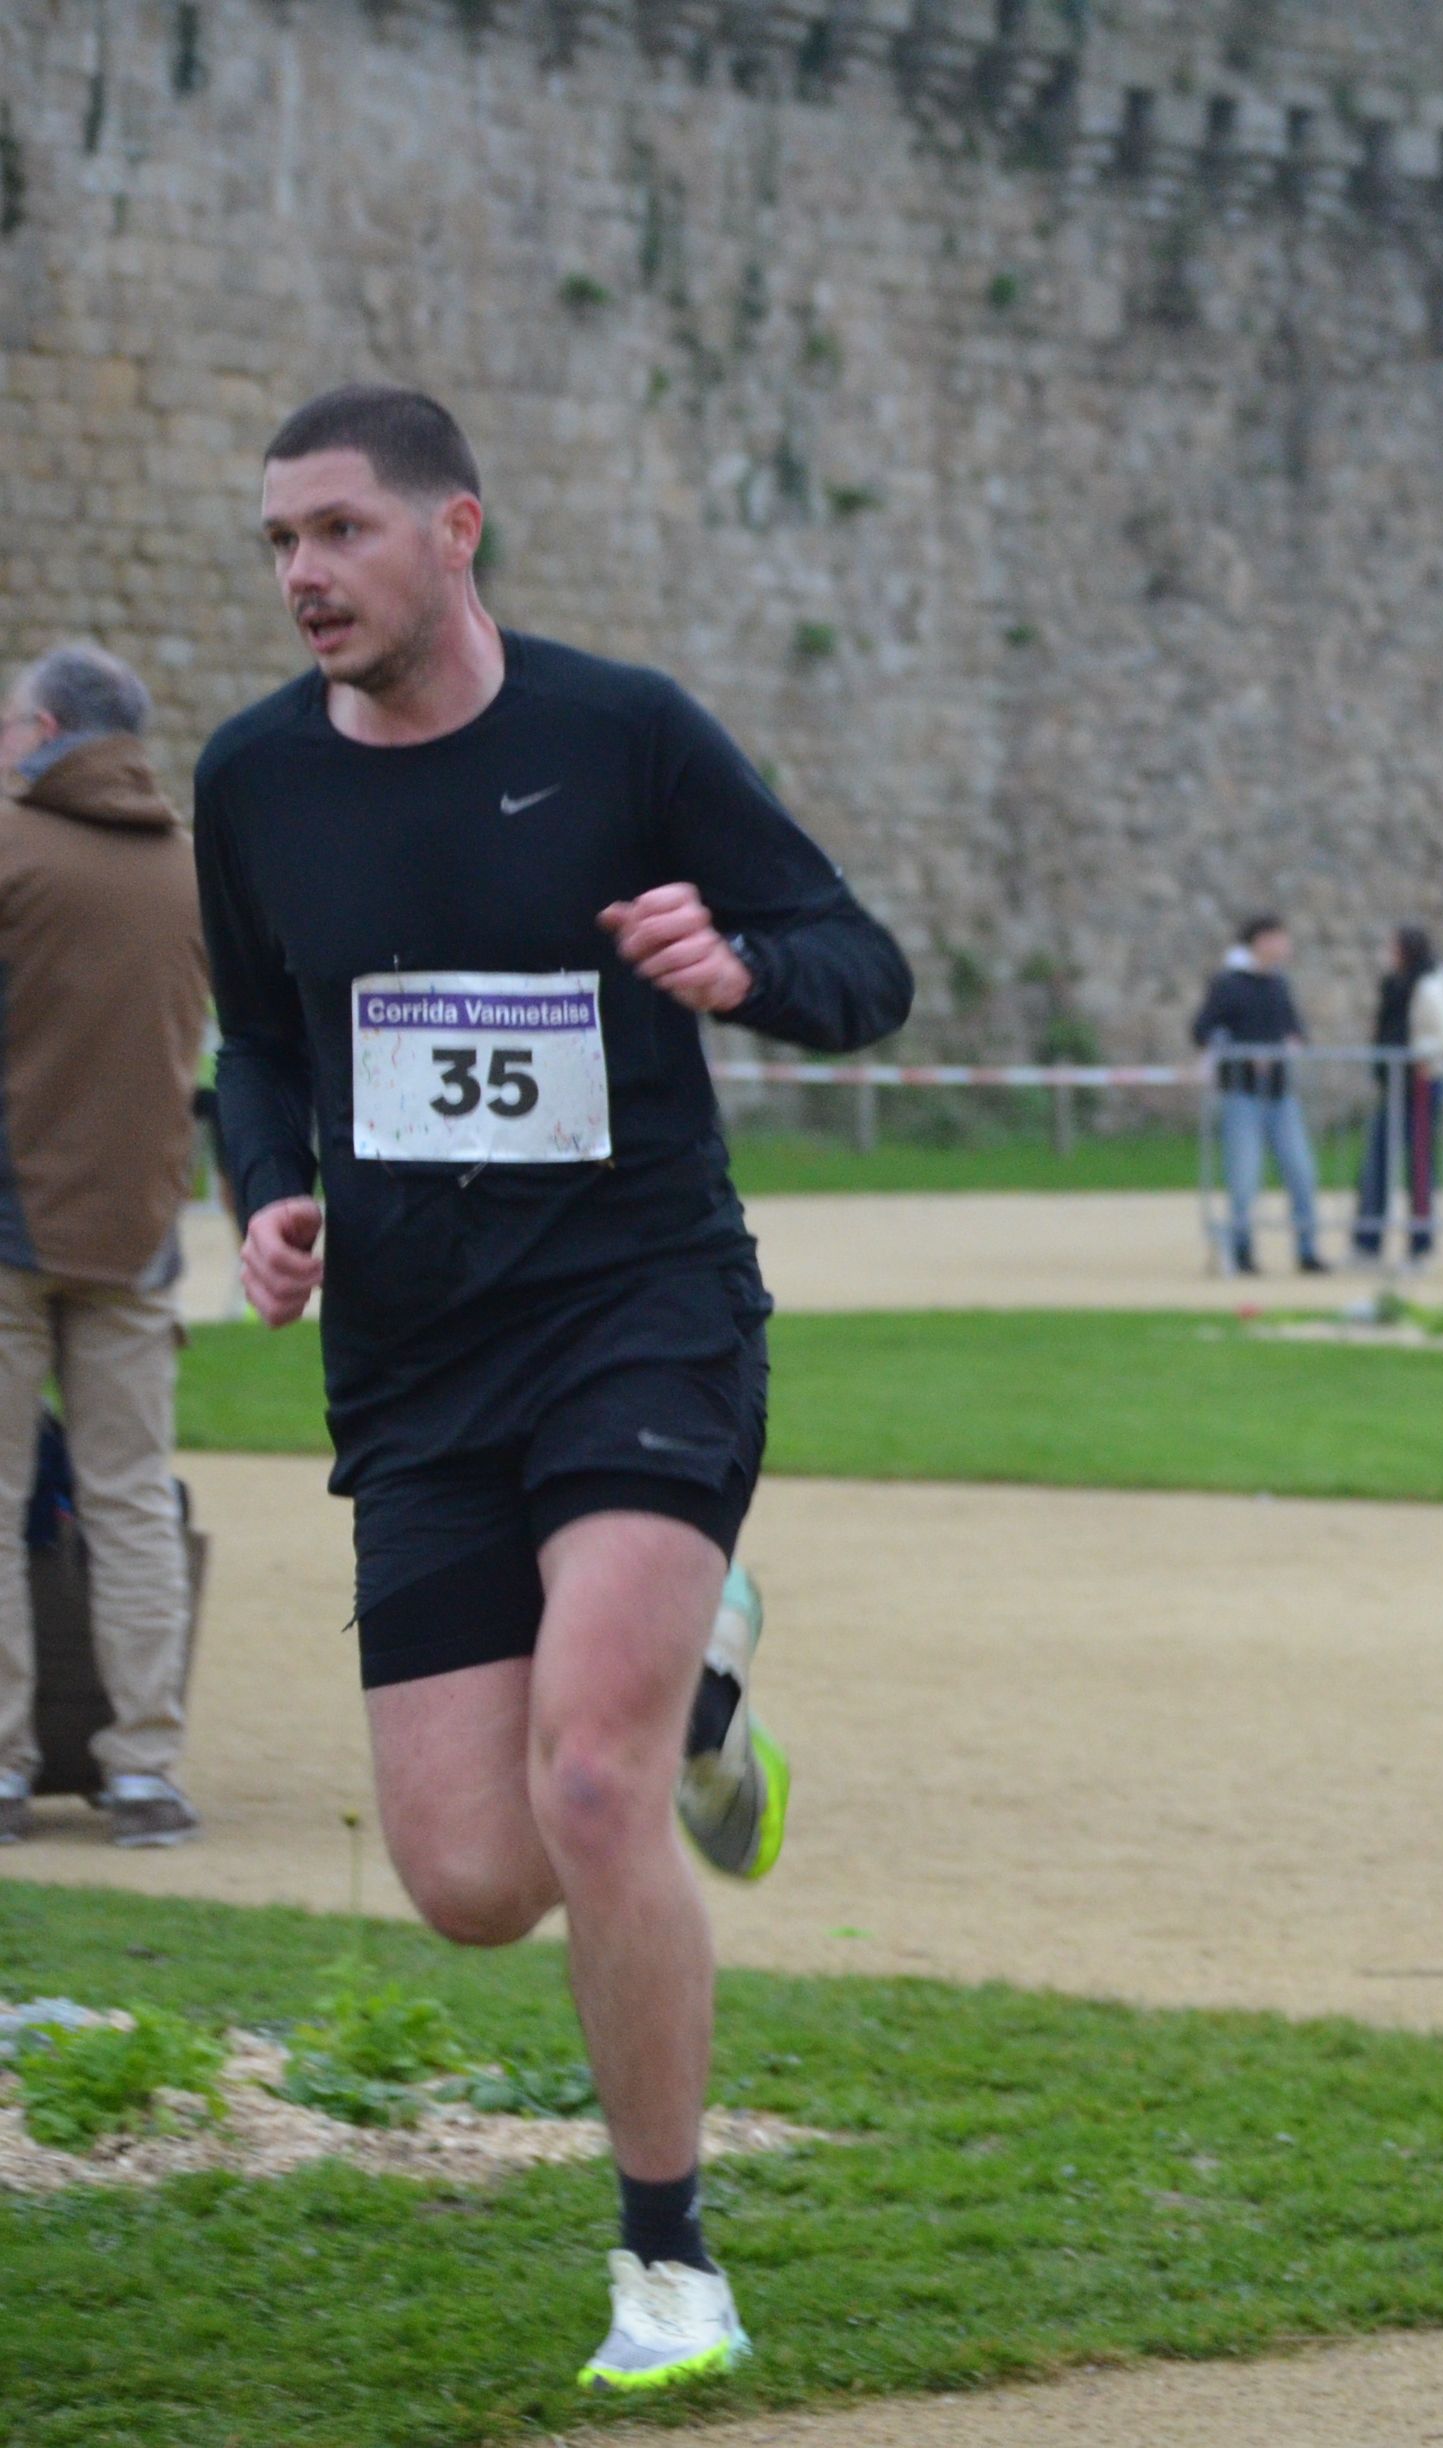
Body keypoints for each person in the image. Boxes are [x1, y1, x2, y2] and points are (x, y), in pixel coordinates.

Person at [198, 385, 912, 2392]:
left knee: (588, 1783)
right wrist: (268, 1192)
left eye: (340, 530)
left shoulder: (623, 735)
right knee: (470, 1880)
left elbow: (860, 965)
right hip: (416, 1367)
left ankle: (668, 2262)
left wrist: (739, 967)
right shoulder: (254, 778)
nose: (304, 574)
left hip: (637, 1316)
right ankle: (706, 1688)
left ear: (457, 532)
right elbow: (259, 1042)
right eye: (279, 542)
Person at [0, 643, 212, 1850]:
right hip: (139, 1229)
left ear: (44, 731)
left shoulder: (9, 845)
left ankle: (4, 1765)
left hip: (7, 1223)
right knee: (131, 1501)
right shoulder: (190, 868)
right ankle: (144, 1774)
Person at [1191, 915, 1325, 1274]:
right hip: (1242, 1095)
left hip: (1280, 1095)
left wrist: (1292, 1043)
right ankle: (1241, 1249)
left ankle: (1307, 1249)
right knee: (1244, 1179)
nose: (1286, 946)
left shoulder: (1278, 984)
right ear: (1262, 940)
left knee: (1301, 1173)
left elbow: (1294, 1028)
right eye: (1280, 938)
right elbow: (1203, 1029)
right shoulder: (1228, 984)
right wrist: (1242, 1052)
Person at [1350, 924, 1443, 1263]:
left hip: (1421, 1086)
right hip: (1395, 1085)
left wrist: (1422, 1054)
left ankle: (1420, 1245)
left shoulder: (1429, 987)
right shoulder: (1393, 986)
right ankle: (1367, 1243)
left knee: (1419, 1166)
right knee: (1376, 1163)